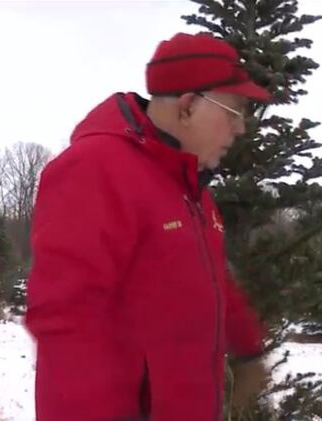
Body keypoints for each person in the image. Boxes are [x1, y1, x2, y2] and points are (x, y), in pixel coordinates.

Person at [24, 32, 271, 421]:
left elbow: (206, 279)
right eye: (234, 112)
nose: (240, 130)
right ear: (188, 106)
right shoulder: (95, 168)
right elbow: (66, 319)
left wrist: (248, 350)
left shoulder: (190, 188)